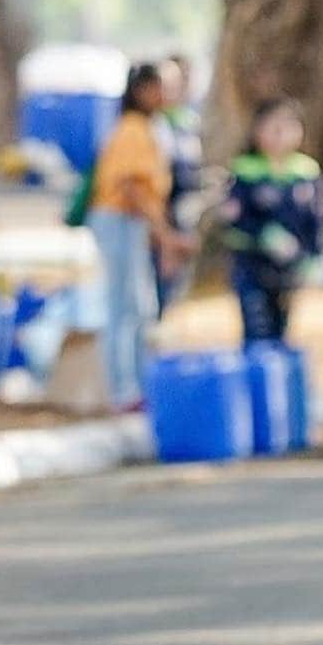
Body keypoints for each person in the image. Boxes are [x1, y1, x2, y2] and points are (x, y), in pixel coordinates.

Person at [88, 63, 192, 411]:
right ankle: (123, 390)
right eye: (163, 86)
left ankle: (139, 384)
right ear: (143, 90)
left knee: (141, 306)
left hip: (134, 225)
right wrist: (165, 236)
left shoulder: (154, 128)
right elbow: (132, 188)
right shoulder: (132, 129)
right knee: (125, 307)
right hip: (119, 220)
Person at [219, 97, 323, 344]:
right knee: (257, 331)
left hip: (290, 271)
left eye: (289, 126)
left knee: (282, 331)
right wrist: (264, 235)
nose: (281, 134)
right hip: (252, 268)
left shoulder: (305, 172)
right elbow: (233, 220)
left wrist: (314, 257)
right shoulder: (244, 171)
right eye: (274, 127)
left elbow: (318, 220)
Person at [153, 55, 204, 314]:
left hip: (184, 215)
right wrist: (165, 235)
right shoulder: (153, 125)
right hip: (160, 220)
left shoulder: (188, 122)